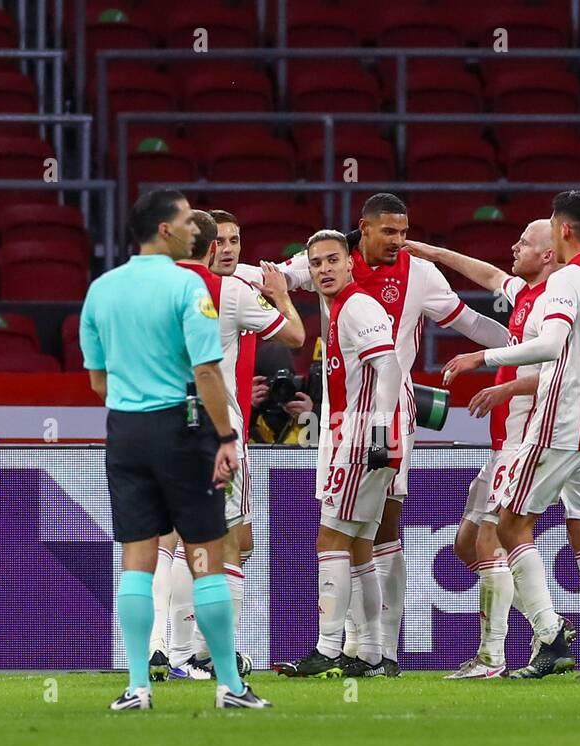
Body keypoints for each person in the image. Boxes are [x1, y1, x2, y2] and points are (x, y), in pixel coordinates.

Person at [273, 193, 510, 674]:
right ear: (363, 229)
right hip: (340, 418)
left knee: (378, 533)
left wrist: (518, 343)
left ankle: (374, 648)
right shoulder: (330, 259)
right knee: (358, 536)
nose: (400, 242)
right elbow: (273, 277)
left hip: (382, 416)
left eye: (404, 232)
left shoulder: (418, 275)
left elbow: (467, 322)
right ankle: (367, 650)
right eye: (390, 233)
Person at [443, 191, 580, 679]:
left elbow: (551, 344)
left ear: (565, 231)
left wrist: (482, 358)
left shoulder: (567, 280)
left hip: (562, 422)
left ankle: (552, 638)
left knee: (512, 526)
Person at [80, 188, 268, 710]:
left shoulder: (101, 290)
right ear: (164, 229)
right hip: (182, 430)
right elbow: (207, 371)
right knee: (205, 555)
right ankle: (229, 685)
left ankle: (137, 685)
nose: (195, 228)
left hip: (125, 431)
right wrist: (226, 437)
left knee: (138, 559)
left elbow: (98, 381)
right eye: (187, 220)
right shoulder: (190, 287)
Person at [405, 219, 560, 678]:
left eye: (525, 242)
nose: (515, 246)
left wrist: (506, 388)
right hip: (503, 444)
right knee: (466, 544)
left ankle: (493, 656)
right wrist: (434, 252)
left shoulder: (556, 303)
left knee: (493, 540)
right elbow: (489, 275)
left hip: (527, 439)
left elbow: (562, 369)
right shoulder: (525, 294)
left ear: (548, 255)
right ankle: (546, 624)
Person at [158, 210, 304, 681]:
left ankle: (175, 653)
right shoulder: (233, 291)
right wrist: (281, 296)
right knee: (219, 544)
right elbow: (297, 336)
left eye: (235, 240)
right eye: (220, 241)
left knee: (194, 540)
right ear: (208, 247)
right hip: (216, 428)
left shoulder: (152, 288)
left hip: (163, 426)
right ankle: (199, 654)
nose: (228, 248)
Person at [272, 231, 403, 678]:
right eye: (317, 263)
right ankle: (371, 653)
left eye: (333, 260)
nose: (325, 269)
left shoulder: (358, 305)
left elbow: (388, 366)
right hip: (365, 438)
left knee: (330, 543)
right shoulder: (341, 307)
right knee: (361, 548)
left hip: (362, 439)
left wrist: (378, 432)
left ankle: (328, 650)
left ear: (350, 263)